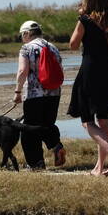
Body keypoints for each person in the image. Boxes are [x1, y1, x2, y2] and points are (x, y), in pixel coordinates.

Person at [67, 0, 108, 176]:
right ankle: (100, 167)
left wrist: (82, 17)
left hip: (90, 71)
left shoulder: (85, 20)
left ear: (88, 0)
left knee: (87, 121)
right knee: (104, 120)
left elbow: (73, 45)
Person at [13, 20, 67, 170]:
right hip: (54, 93)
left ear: (26, 33)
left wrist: (18, 91)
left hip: (34, 94)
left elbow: (22, 71)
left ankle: (36, 164)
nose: (22, 38)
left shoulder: (26, 48)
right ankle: (56, 146)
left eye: (21, 35)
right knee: (46, 125)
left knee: (29, 131)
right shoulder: (53, 47)